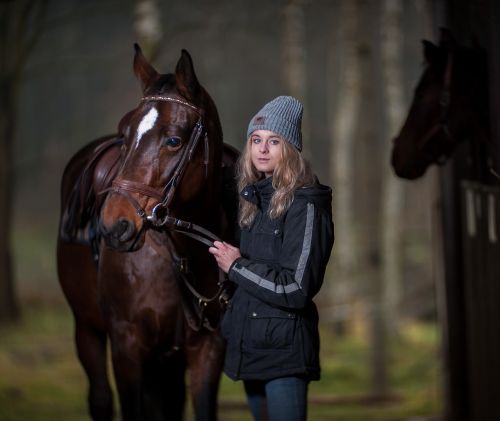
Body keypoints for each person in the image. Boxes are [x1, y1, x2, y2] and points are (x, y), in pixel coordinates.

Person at [209, 96, 334, 421]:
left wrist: (236, 266)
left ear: (290, 148)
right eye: (256, 140)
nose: (262, 149)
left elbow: (296, 288)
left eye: (273, 141)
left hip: (284, 354)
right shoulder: (253, 202)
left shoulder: (306, 206)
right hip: (252, 351)